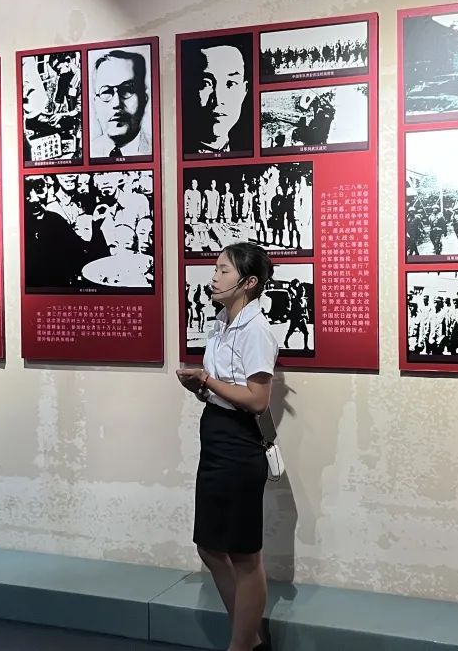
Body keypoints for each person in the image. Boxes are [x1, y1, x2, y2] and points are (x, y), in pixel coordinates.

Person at [176, 242, 277, 651]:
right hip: (216, 435)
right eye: (215, 269)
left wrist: (208, 380)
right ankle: (249, 639)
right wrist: (200, 387)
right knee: (210, 547)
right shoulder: (221, 323)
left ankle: (241, 645)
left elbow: (257, 399)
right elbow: (223, 389)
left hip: (239, 443)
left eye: (223, 270)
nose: (214, 277)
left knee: (245, 555)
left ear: (248, 282)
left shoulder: (257, 330)